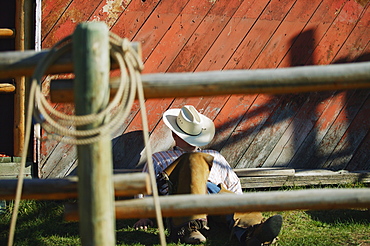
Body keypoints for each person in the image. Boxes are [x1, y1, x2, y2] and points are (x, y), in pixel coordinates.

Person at [134, 105, 283, 245]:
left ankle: (253, 232)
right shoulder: (158, 158)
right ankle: (189, 227)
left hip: (216, 204)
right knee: (193, 160)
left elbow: (233, 186)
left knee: (218, 190)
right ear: (174, 134)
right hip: (180, 207)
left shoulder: (214, 156)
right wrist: (144, 216)